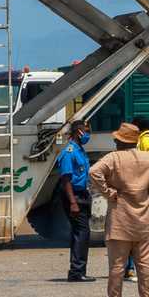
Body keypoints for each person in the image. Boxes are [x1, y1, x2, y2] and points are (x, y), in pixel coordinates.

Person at [88, 122, 149, 297]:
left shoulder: (113, 158)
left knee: (117, 265)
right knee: (145, 263)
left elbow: (93, 172)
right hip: (143, 217)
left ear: (119, 141)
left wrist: (108, 192)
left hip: (120, 217)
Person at [55, 120, 95, 282]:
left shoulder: (80, 150)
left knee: (81, 234)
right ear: (79, 132)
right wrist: (73, 202)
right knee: (81, 233)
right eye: (86, 131)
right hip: (74, 196)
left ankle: (78, 270)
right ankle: (77, 272)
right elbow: (66, 180)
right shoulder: (69, 152)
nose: (88, 134)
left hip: (82, 194)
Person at [124, 117, 149, 284]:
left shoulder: (146, 141)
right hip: (147, 191)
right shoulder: (146, 139)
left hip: (148, 192)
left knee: (147, 234)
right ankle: (146, 269)